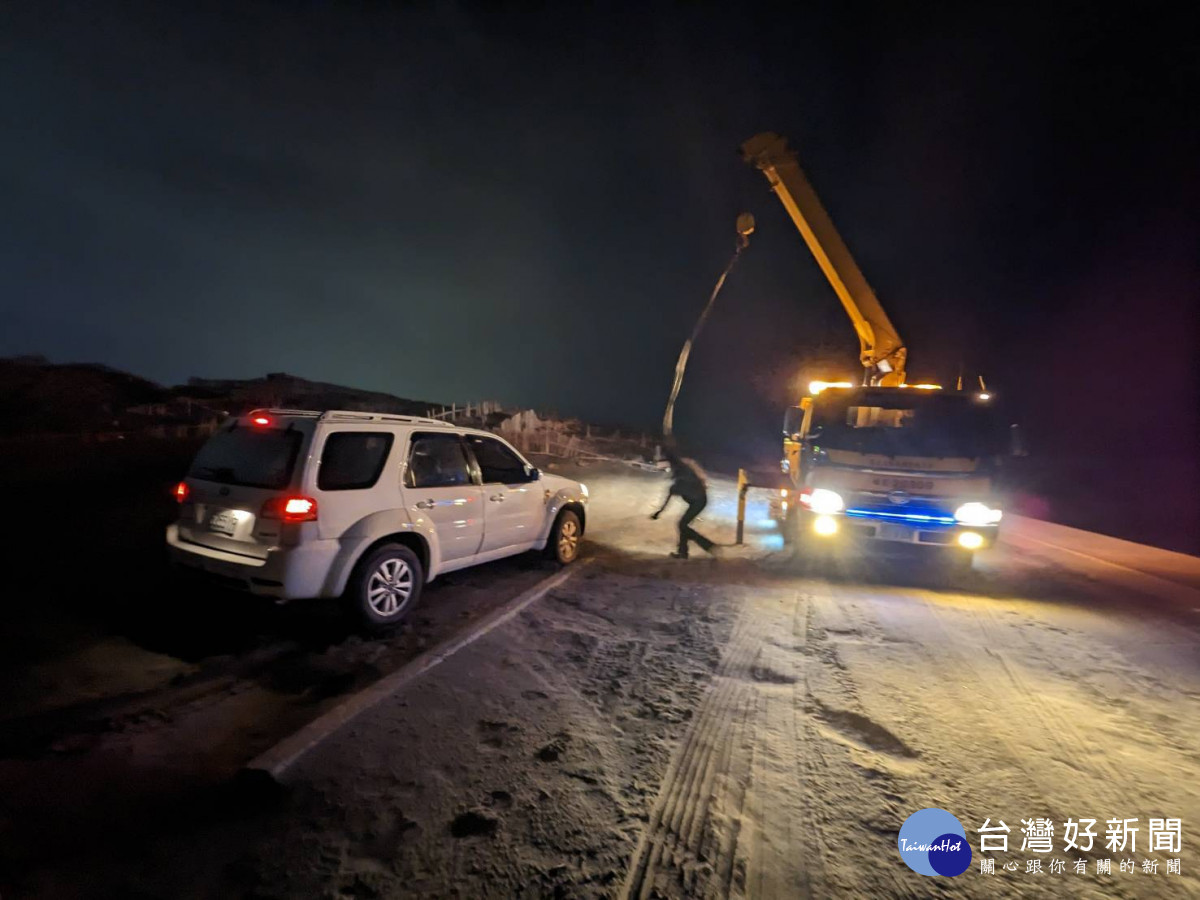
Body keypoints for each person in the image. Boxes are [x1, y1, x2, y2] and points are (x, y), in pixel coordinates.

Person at [651, 445, 716, 559]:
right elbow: (669, 498)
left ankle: (707, 546)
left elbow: (669, 498)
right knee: (683, 526)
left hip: (699, 502)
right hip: (697, 500)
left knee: (682, 525)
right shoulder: (679, 480)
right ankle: (684, 552)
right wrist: (659, 512)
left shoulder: (683, 478)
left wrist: (659, 512)